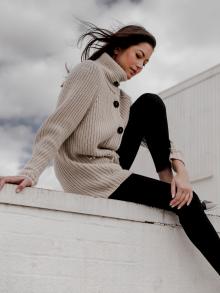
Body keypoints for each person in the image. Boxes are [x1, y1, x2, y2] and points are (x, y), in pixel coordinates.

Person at [0, 20, 219, 275]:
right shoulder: (89, 72)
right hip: (88, 174)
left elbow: (162, 140)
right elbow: (57, 126)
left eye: (146, 63)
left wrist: (182, 174)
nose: (140, 66)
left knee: (150, 103)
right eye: (138, 56)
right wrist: (30, 172)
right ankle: (177, 198)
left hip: (110, 166)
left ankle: (170, 187)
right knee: (189, 203)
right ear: (118, 48)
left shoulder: (122, 98)